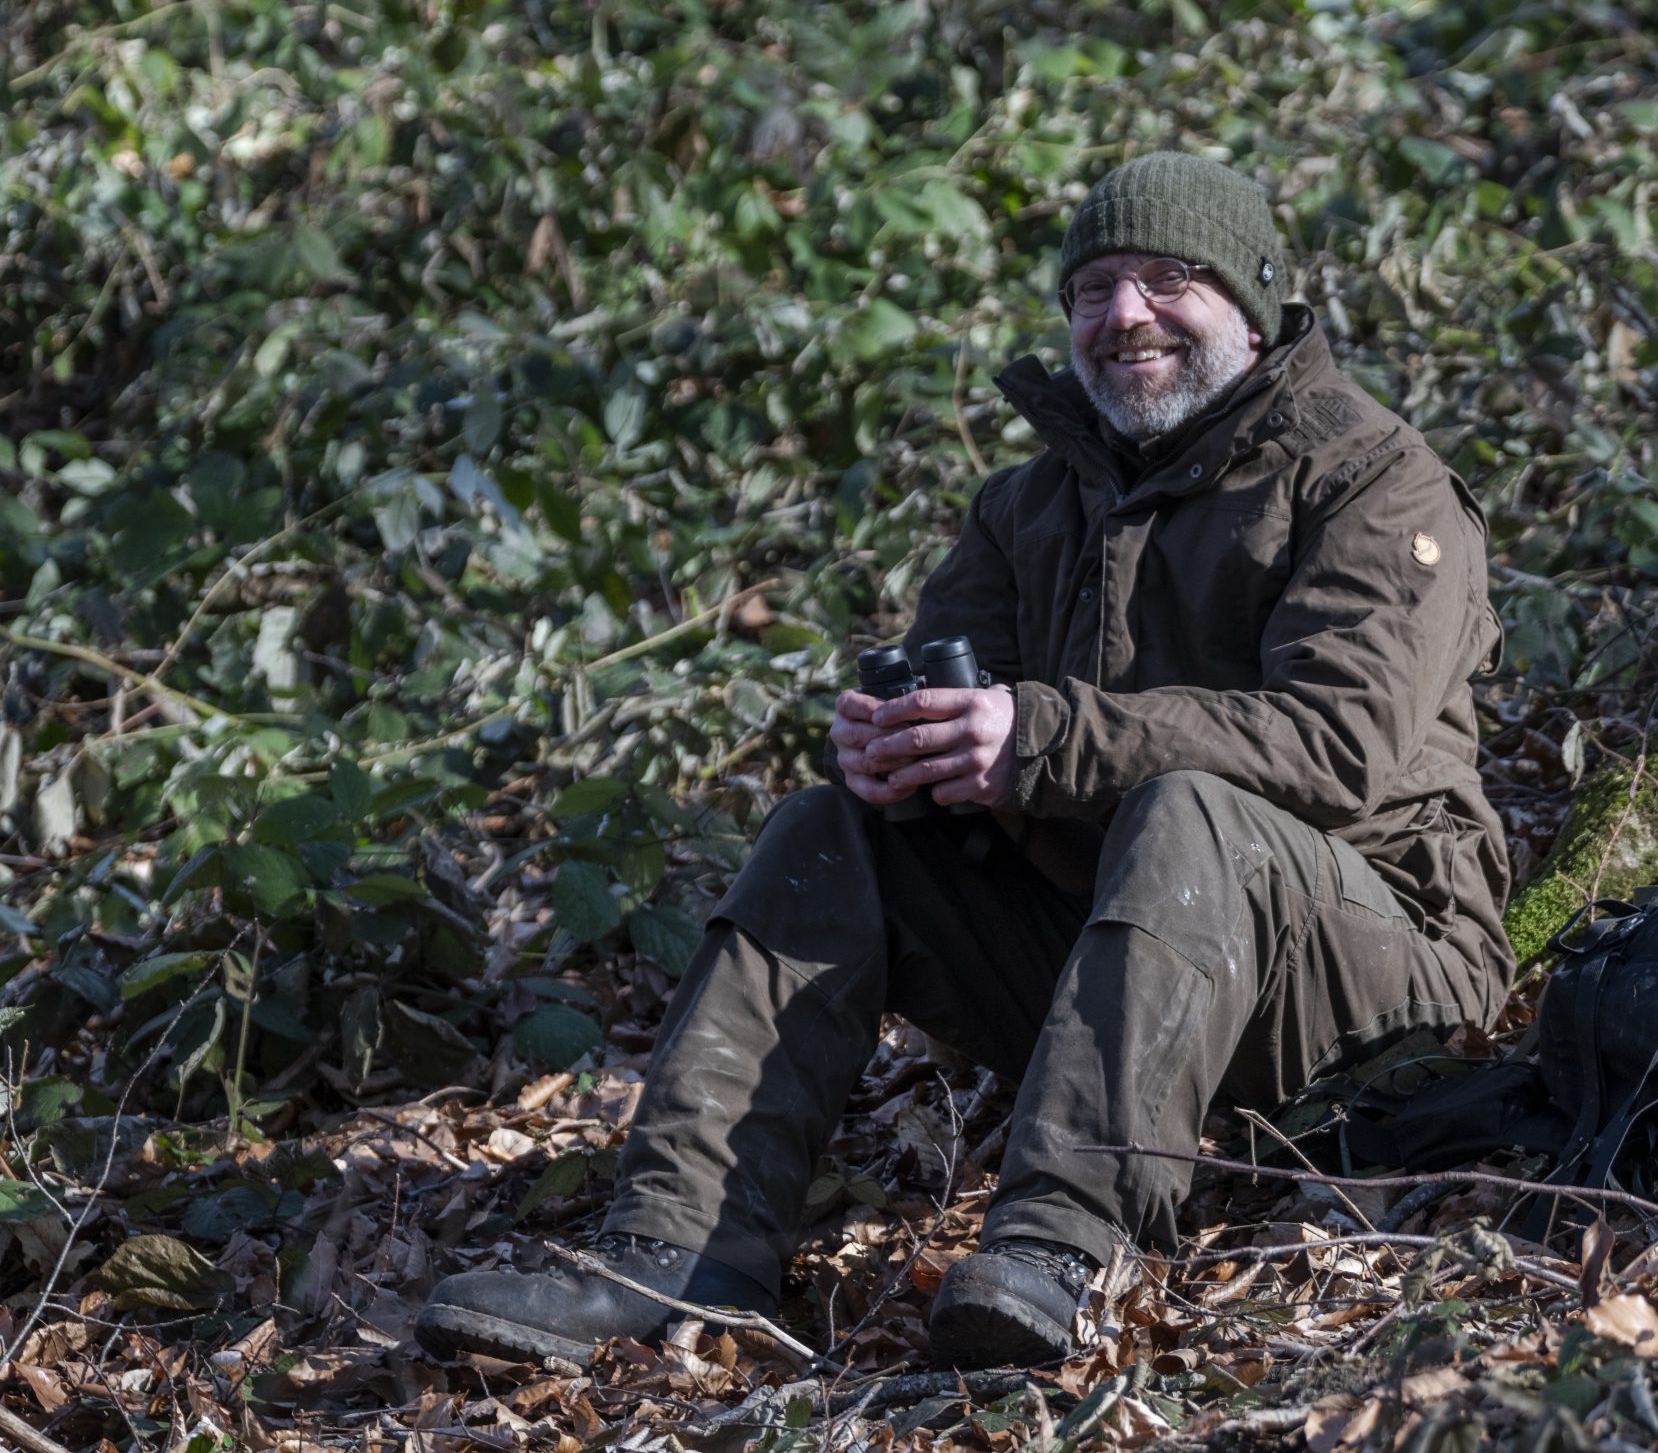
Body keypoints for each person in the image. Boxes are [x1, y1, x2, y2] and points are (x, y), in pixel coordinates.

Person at [416, 151, 1515, 1371]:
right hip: (1122, 952)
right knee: (831, 830)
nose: (1126, 315)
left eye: (1169, 280)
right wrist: (908, 752)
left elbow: (1337, 744)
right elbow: (983, 734)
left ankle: (1064, 1244)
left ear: (1252, 307)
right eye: (1095, 289)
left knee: (1189, 810)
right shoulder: (1027, 505)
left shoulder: (1371, 475)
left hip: (1378, 980)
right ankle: (678, 1252)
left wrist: (1035, 734)